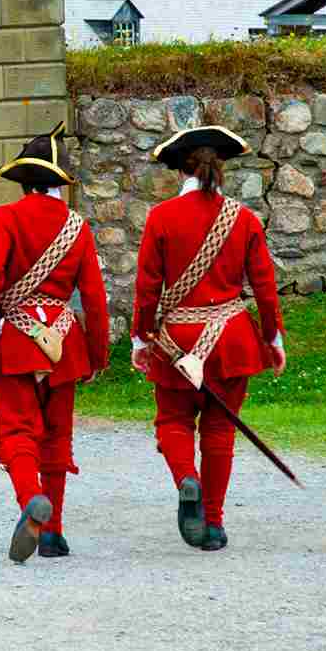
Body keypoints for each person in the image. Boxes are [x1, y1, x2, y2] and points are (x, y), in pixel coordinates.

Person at [131, 125, 287, 552]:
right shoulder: (245, 218)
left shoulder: (161, 218)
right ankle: (214, 524)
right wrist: (273, 339)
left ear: (180, 171)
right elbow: (265, 287)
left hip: (176, 339)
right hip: (230, 338)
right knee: (219, 430)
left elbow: (146, 290)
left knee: (172, 422)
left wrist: (141, 341)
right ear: (220, 167)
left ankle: (186, 480)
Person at [0, 121, 111, 563]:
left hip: (16, 338)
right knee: (56, 438)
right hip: (65, 343)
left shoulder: (7, 217)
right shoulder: (78, 227)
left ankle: (32, 501)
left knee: (16, 430)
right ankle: (52, 534)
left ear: (24, 182)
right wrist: (97, 352)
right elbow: (93, 296)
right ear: (59, 184)